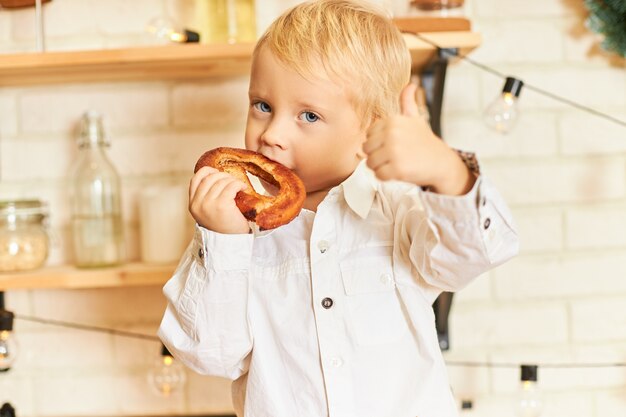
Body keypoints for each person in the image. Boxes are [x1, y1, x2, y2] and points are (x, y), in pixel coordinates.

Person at [158, 1, 518, 416]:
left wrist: (447, 172)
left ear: (371, 128)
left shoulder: (400, 209)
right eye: (262, 105)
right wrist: (222, 244)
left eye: (308, 115)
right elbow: (210, 354)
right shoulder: (233, 233)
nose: (272, 134)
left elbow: (475, 254)